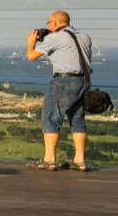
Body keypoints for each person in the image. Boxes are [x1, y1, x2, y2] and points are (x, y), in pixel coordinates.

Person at [25, 10, 95, 172]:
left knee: (51, 118)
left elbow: (31, 56)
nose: (47, 26)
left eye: (49, 23)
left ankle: (49, 160)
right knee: (77, 119)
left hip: (63, 81)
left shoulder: (54, 38)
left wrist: (31, 42)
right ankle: (80, 160)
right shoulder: (85, 37)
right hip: (83, 81)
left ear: (56, 23)